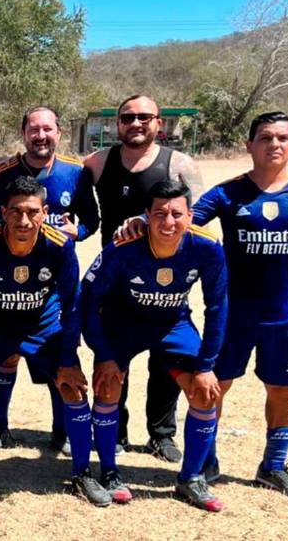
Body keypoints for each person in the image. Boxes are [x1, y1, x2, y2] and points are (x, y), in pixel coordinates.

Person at [117, 111, 288, 499]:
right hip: (235, 314)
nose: (274, 144)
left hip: (285, 315)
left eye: (282, 138)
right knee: (213, 387)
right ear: (249, 145)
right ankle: (206, 460)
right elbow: (178, 218)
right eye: (265, 137)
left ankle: (273, 466)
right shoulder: (228, 193)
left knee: (281, 390)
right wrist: (140, 220)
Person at [0, 176, 102, 503]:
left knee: (73, 388)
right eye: (16, 211)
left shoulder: (60, 245)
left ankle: (82, 472)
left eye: (33, 212)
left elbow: (72, 305)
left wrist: (68, 359)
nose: (24, 220)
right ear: (3, 212)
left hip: (42, 326)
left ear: (45, 212)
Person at [80, 180, 227, 511]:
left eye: (177, 214)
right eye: (159, 213)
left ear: (190, 216)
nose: (168, 222)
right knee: (107, 385)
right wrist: (104, 355)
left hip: (173, 324)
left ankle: (191, 479)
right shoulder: (123, 246)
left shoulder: (207, 247)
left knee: (205, 392)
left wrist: (205, 366)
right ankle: (110, 472)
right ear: (146, 215)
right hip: (124, 323)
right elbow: (88, 300)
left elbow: (218, 308)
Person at [83, 94, 203, 461]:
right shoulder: (97, 163)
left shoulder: (180, 165)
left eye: (144, 117)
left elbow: (196, 218)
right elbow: (73, 204)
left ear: (158, 123)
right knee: (112, 363)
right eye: (128, 117)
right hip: (115, 285)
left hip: (163, 283)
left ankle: (161, 435)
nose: (136, 123)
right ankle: (114, 432)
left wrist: (148, 221)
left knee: (166, 364)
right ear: (117, 123)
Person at [0, 105, 99, 454]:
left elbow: (91, 220)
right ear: (24, 133)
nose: (40, 135)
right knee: (6, 356)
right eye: (34, 129)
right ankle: (0, 425)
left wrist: (79, 231)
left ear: (58, 132)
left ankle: (61, 431)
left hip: (54, 281)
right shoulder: (3, 173)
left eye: (47, 129)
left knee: (56, 354)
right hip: (9, 280)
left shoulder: (75, 172)